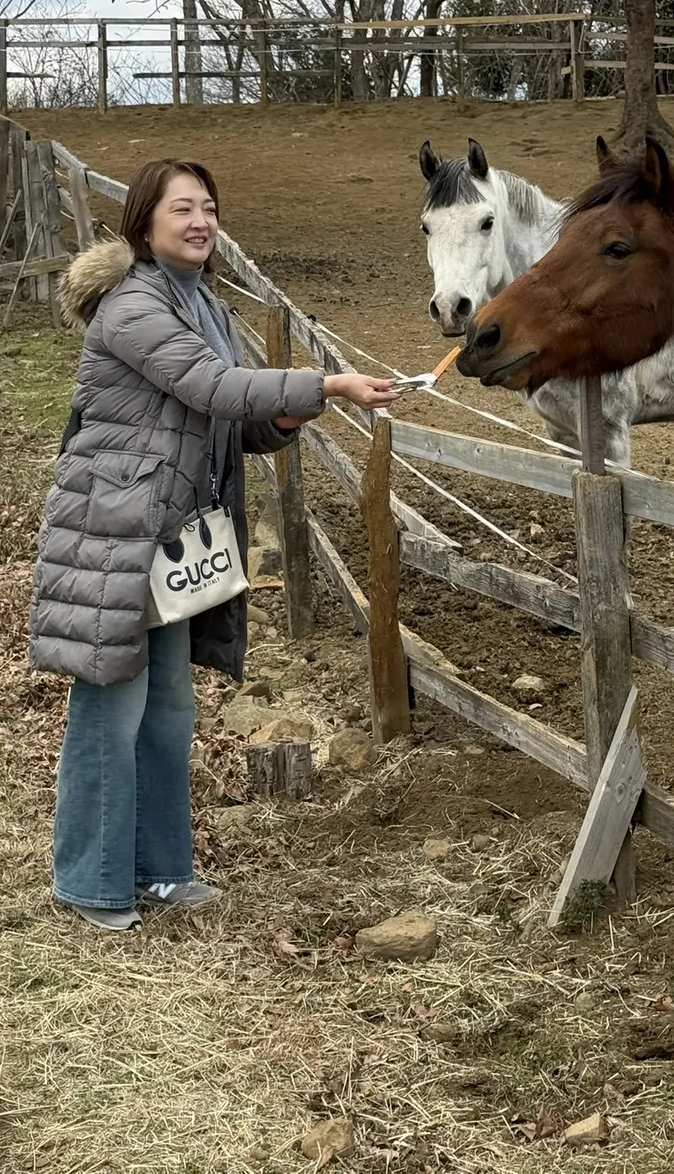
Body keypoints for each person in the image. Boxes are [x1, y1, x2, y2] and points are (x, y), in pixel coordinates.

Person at [28, 158, 396, 931]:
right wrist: (326, 384)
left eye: (209, 208)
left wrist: (292, 416)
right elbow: (212, 388)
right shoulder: (131, 305)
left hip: (170, 535)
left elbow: (238, 419)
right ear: (144, 222)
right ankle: (90, 881)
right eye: (182, 208)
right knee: (112, 704)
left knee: (167, 707)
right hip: (116, 529)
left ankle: (161, 871)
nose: (200, 221)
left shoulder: (206, 306)